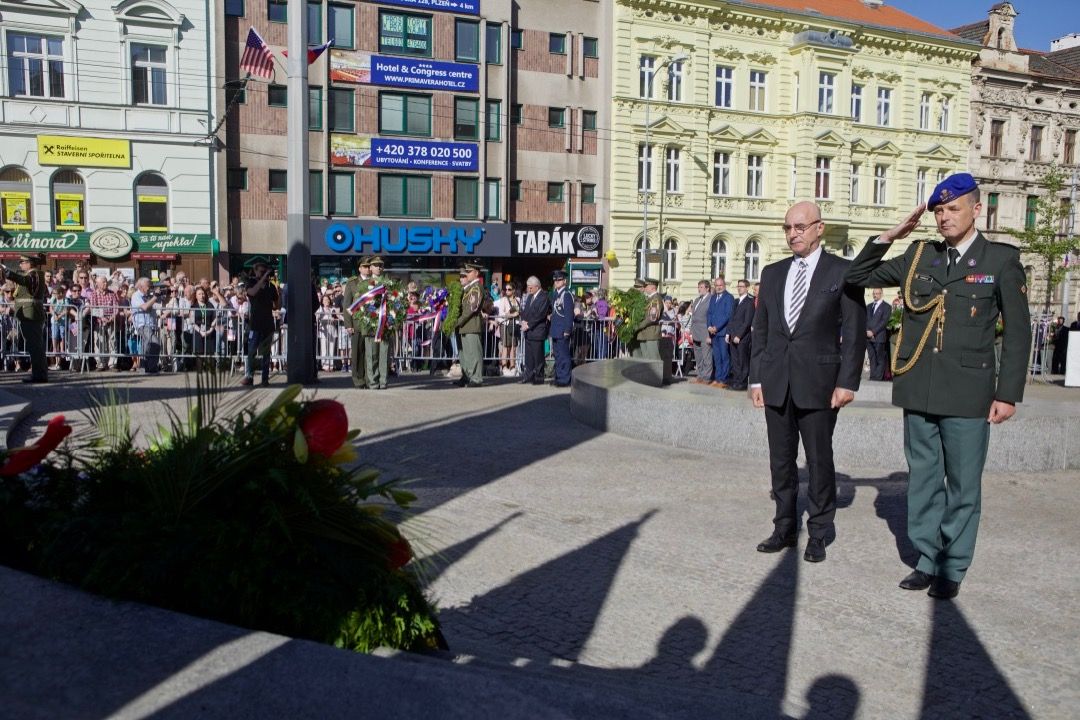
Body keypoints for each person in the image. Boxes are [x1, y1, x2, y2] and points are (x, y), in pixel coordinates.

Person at [844, 173, 1030, 599]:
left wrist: (1007, 393)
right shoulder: (918, 256)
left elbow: (1018, 331)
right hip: (919, 386)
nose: (944, 218)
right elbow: (856, 275)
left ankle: (953, 566)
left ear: (976, 209)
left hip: (968, 391)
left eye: (953, 209)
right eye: (939, 211)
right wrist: (891, 235)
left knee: (964, 483)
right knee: (924, 479)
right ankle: (927, 559)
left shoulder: (999, 260)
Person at [749, 201, 866, 563]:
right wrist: (756, 379)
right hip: (777, 382)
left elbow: (855, 330)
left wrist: (847, 382)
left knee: (819, 460)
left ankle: (818, 531)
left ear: (819, 228)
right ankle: (784, 526)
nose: (793, 234)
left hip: (819, 384)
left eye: (800, 227)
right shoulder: (772, 273)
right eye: (788, 228)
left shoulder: (843, 272)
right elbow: (762, 330)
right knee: (780, 461)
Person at [1, 253, 49, 382]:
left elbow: (24, 281)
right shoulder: (30, 274)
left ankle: (39, 375)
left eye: (22, 262)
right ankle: (39, 374)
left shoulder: (34, 274)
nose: (20, 264)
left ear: (29, 263)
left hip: (31, 314)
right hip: (28, 314)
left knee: (35, 346)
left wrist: (9, 273)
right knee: (35, 346)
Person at [240, 260, 278, 387]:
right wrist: (261, 280)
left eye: (265, 271)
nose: (264, 274)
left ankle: (265, 379)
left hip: (267, 324)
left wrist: (279, 294)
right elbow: (251, 292)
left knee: (266, 353)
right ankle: (249, 376)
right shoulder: (251, 282)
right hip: (255, 324)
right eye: (261, 271)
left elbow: (276, 305)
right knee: (251, 351)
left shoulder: (271, 286)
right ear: (256, 271)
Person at [340, 257, 371, 389]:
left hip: (371, 323)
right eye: (365, 266)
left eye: (369, 266)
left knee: (369, 353)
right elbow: (347, 305)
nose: (368, 269)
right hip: (357, 324)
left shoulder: (374, 282)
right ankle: (358, 380)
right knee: (357, 353)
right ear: (359, 268)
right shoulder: (352, 283)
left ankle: (368, 379)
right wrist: (348, 325)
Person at [454, 261, 485, 387]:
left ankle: (476, 378)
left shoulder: (476, 287)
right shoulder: (469, 288)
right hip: (465, 325)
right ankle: (467, 376)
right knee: (465, 354)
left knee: (473, 353)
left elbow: (471, 308)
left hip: (471, 324)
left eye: (469, 272)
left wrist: (458, 321)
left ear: (476, 273)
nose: (467, 274)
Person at [519, 275, 551, 384]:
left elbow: (540, 314)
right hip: (529, 331)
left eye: (530, 287)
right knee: (529, 356)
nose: (528, 289)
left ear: (537, 286)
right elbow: (525, 310)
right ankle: (528, 376)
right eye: (528, 287)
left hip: (537, 330)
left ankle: (539, 377)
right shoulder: (530, 297)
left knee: (538, 356)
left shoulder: (544, 297)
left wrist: (529, 324)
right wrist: (523, 320)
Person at [365, 257, 391, 389]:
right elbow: (360, 303)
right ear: (370, 267)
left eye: (380, 265)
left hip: (385, 324)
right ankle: (373, 381)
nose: (379, 267)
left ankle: (383, 381)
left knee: (384, 354)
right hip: (370, 323)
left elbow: (394, 301)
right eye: (376, 265)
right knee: (372, 354)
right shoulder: (365, 284)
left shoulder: (389, 283)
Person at [706, 276, 735, 388]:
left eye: (720, 285)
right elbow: (709, 313)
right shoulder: (713, 297)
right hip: (713, 333)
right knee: (716, 357)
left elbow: (728, 315)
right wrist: (709, 326)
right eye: (716, 285)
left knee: (724, 356)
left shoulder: (729, 297)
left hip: (722, 332)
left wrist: (716, 327)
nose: (718, 287)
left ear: (724, 285)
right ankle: (718, 378)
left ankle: (724, 379)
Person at [727, 279, 755, 391]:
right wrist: (728, 333)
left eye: (742, 286)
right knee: (735, 360)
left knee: (742, 360)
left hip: (742, 337)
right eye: (738, 286)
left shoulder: (749, 302)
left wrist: (739, 335)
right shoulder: (735, 301)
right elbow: (731, 319)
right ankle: (736, 380)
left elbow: (747, 321)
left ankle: (742, 382)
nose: (739, 288)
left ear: (747, 288)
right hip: (733, 335)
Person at [129, 277, 162, 374]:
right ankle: (152, 367)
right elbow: (144, 307)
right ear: (141, 286)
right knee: (155, 343)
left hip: (150, 324)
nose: (150, 288)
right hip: (142, 324)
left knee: (146, 346)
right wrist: (155, 297)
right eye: (148, 286)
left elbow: (157, 306)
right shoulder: (136, 296)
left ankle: (144, 367)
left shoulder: (148, 295)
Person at [549, 270, 576, 387]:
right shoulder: (556, 294)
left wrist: (567, 330)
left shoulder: (566, 295)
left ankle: (565, 379)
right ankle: (559, 377)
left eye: (559, 280)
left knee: (564, 356)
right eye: (555, 280)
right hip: (555, 329)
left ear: (564, 281)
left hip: (562, 330)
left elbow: (569, 315)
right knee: (558, 355)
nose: (556, 282)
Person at [88, 275, 118, 371]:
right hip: (99, 322)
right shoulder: (94, 294)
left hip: (111, 321)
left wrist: (112, 317)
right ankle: (100, 364)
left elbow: (116, 307)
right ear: (98, 284)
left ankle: (112, 364)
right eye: (103, 282)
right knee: (99, 342)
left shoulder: (112, 294)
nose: (106, 283)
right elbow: (93, 309)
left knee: (112, 342)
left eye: (106, 281)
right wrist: (103, 318)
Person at [688, 280, 714, 384]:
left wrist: (710, 333)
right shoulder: (697, 300)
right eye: (698, 287)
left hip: (705, 332)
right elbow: (693, 316)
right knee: (698, 356)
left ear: (707, 288)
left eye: (701, 287)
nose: (699, 289)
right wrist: (691, 330)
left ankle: (706, 377)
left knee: (706, 356)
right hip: (695, 331)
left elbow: (712, 315)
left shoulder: (711, 299)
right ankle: (700, 375)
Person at [495, 281, 520, 375]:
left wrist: (517, 315)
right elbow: (501, 314)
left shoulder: (518, 300)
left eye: (509, 289)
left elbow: (519, 312)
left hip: (515, 325)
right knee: (506, 347)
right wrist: (512, 314)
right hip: (505, 325)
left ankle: (513, 366)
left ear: (513, 290)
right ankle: (504, 366)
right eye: (506, 289)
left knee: (513, 347)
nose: (507, 291)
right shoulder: (503, 300)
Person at [866, 288, 891, 381]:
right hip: (867, 337)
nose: (875, 295)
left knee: (880, 358)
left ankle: (878, 377)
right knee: (872, 357)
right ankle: (873, 376)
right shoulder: (868, 306)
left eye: (877, 293)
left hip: (879, 336)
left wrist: (873, 332)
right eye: (874, 293)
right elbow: (865, 320)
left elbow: (883, 322)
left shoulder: (887, 307)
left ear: (881, 294)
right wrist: (866, 331)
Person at [635, 278, 663, 360]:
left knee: (653, 360)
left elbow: (652, 318)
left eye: (646, 286)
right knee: (646, 361)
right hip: (645, 333)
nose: (644, 288)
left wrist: (638, 326)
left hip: (651, 333)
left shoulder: (656, 299)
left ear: (652, 287)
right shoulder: (649, 299)